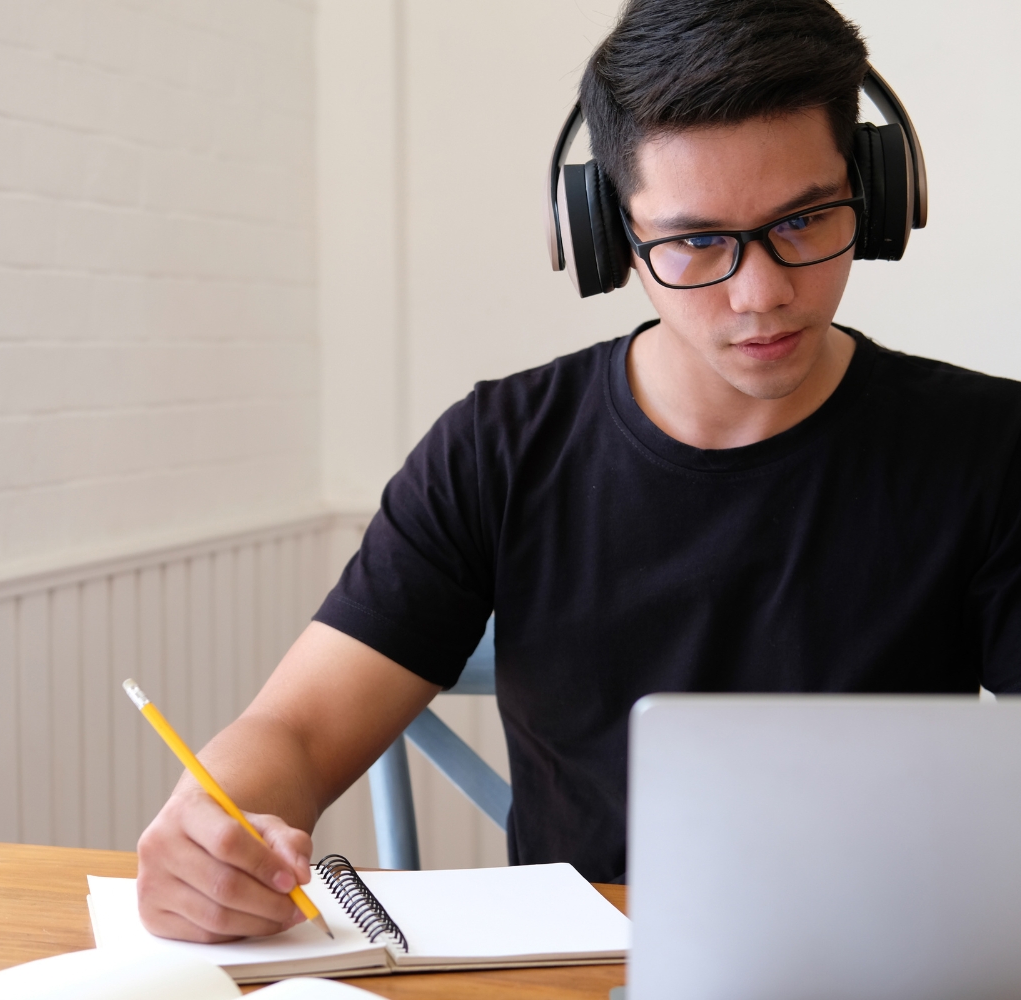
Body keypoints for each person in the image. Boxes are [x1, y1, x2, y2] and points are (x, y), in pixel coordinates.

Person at [136, 0, 1021, 943]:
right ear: (608, 238)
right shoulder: (496, 449)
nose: (760, 292)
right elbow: (298, 733)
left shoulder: (993, 447)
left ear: (877, 197)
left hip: (893, 963)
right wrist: (206, 827)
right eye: (695, 241)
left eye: (804, 220)